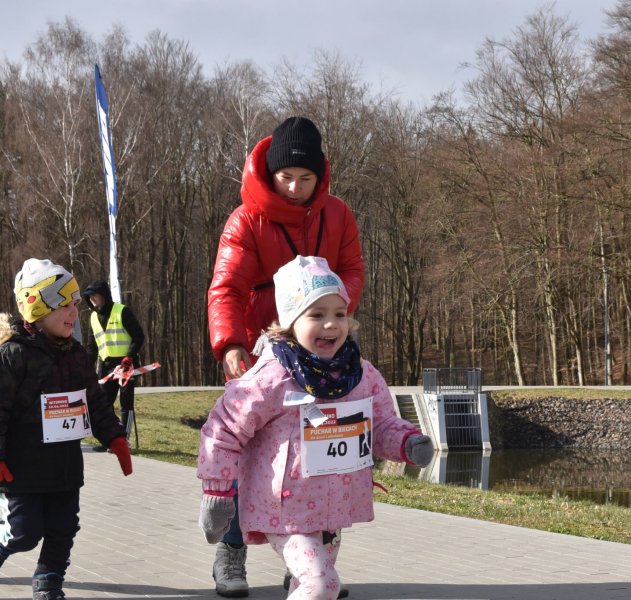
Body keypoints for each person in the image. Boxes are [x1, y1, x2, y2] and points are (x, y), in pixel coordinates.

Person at [197, 256, 434, 600]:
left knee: (308, 584)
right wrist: (217, 492)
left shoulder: (361, 374)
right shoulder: (272, 375)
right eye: (316, 315)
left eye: (339, 314)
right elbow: (224, 429)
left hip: (335, 508)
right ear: (290, 321)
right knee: (322, 584)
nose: (331, 325)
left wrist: (407, 442)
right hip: (285, 508)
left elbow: (379, 423)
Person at [206, 116, 365, 596]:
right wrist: (231, 345)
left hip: (323, 349)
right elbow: (227, 287)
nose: (295, 187)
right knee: (250, 455)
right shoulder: (246, 219)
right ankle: (230, 554)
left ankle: (313, 560)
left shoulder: (337, 214)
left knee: (323, 456)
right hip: (261, 351)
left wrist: (329, 316)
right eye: (285, 177)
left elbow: (352, 269)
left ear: (321, 176)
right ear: (270, 174)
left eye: (306, 178)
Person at [0, 259, 133, 600]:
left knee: (63, 527)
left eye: (75, 304)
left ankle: (49, 578)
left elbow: (95, 401)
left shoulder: (76, 353)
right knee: (23, 532)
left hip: (64, 464)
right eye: (64, 304)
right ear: (37, 308)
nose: (74, 312)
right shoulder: (13, 354)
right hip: (22, 465)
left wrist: (115, 436)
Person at [83, 280, 145, 448]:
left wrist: (129, 356)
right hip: (106, 365)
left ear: (103, 295)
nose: (92, 299)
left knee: (126, 404)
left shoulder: (122, 311)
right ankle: (110, 439)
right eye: (89, 297)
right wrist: (86, 368)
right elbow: (91, 346)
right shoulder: (93, 317)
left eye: (94, 295)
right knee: (104, 404)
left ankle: (124, 440)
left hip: (126, 364)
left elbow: (139, 335)